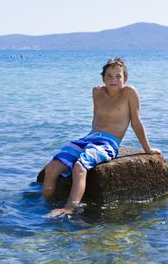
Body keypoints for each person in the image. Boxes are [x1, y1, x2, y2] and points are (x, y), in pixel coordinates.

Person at [43, 57, 161, 218]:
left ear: (125, 78)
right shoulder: (97, 92)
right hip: (88, 138)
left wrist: (147, 149)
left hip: (108, 142)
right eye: (109, 76)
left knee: (79, 167)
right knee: (52, 167)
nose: (113, 80)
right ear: (103, 78)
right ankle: (45, 203)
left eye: (118, 76)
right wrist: (85, 144)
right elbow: (96, 118)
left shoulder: (129, 93)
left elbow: (136, 122)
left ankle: (69, 208)